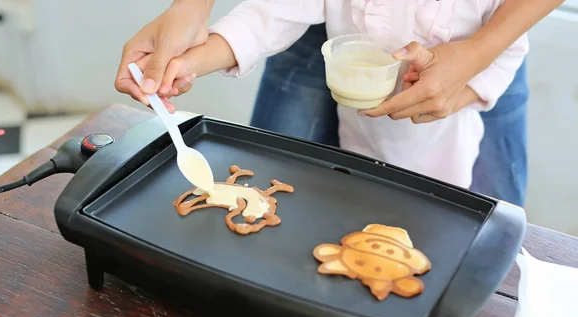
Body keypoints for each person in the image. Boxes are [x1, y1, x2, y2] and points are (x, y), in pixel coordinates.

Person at [115, 0, 564, 203]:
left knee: (444, 223)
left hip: (444, 162)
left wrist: (466, 86)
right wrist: (191, 60)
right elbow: (268, 17)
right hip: (361, 144)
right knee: (339, 200)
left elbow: (506, 52)